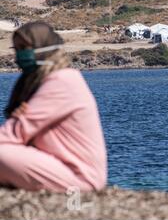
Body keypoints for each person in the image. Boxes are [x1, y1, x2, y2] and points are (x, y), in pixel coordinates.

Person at [0, 21, 107, 192]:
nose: (19, 55)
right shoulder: (37, 82)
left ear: (44, 46)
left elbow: (17, 131)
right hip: (55, 164)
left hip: (80, 176)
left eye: (24, 48)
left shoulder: (62, 81)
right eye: (17, 49)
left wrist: (18, 120)